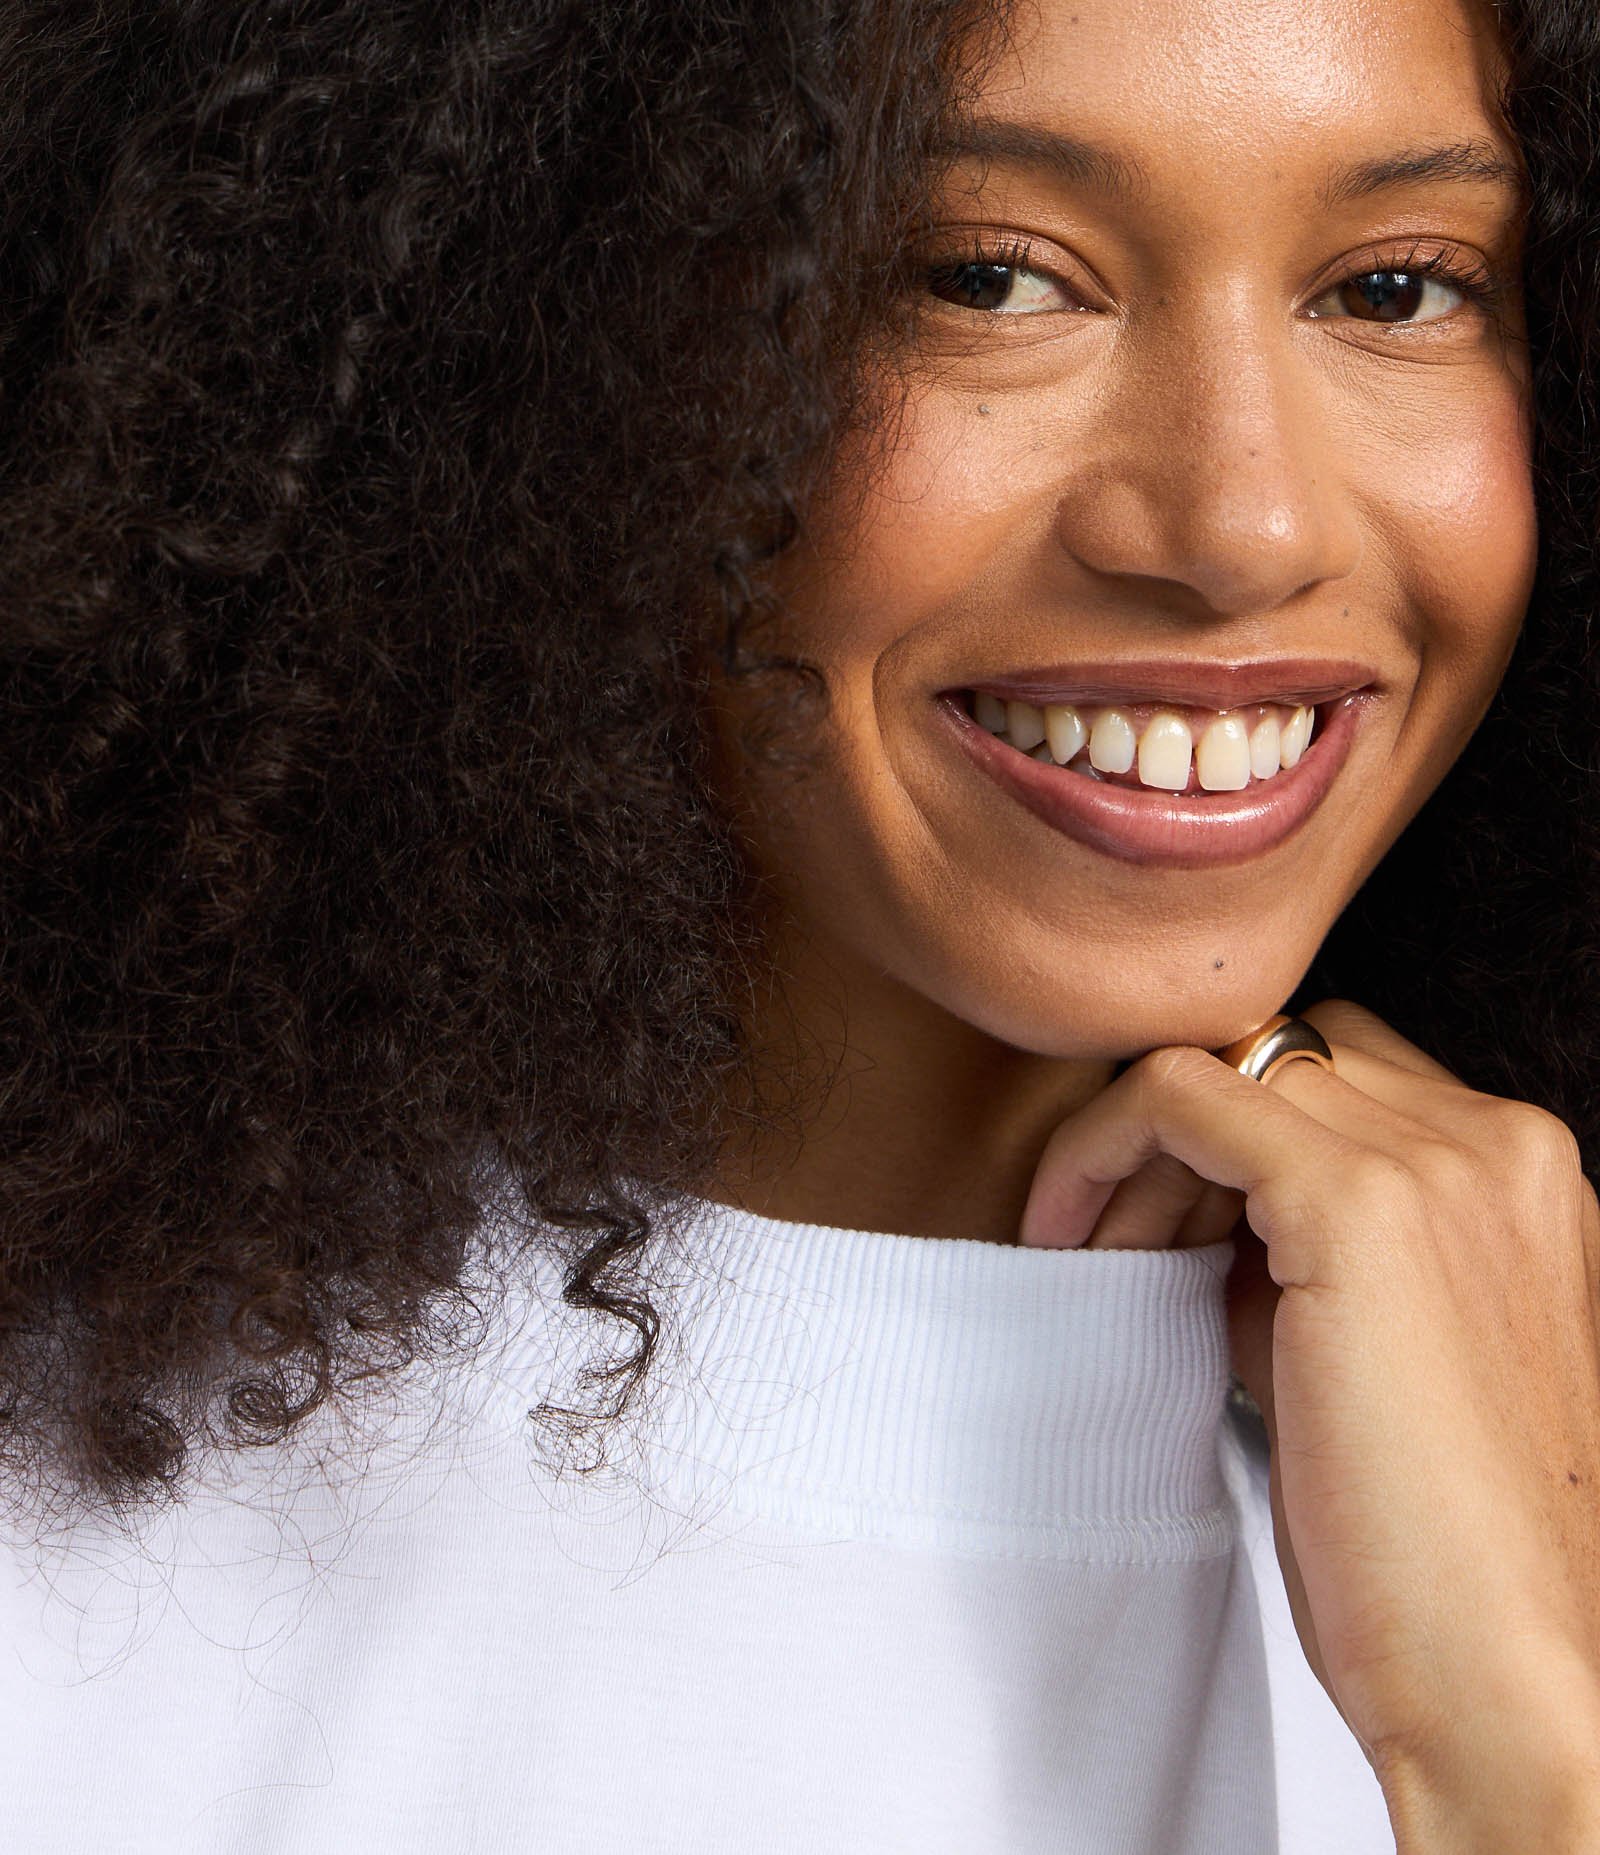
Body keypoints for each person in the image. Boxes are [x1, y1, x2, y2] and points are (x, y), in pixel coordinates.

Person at [0, 0, 1596, 1848]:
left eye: (1396, 290)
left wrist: (1527, 1757)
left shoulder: (1504, 1599)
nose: (1241, 526)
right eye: (988, 279)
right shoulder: (75, 1599)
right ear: (529, 324)